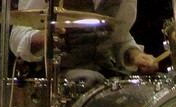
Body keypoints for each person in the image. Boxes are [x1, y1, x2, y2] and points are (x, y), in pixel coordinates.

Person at [9, 0, 160, 85]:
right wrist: (45, 37)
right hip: (60, 74)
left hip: (108, 72)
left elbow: (118, 35)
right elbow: (18, 34)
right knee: (92, 79)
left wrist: (134, 54)